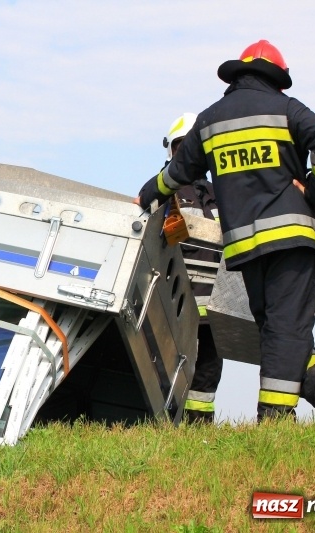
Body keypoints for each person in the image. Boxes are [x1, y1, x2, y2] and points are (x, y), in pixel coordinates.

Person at [136, 40, 315, 421]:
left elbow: (179, 172)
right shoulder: (286, 109)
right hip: (291, 238)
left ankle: (313, 382)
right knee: (288, 325)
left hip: (246, 248)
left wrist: (148, 193)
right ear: (276, 80)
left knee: (270, 325)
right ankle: (276, 416)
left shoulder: (212, 118)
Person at [136, 113, 223, 423]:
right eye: (181, 147)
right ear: (170, 150)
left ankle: (199, 431)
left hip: (214, 304)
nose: (187, 154)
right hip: (172, 302)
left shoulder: (219, 194)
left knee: (208, 371)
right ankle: (162, 424)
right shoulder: (160, 190)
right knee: (164, 365)